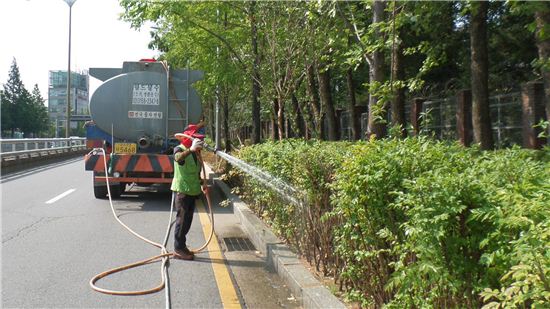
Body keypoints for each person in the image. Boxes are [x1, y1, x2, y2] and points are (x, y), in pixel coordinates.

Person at [171, 124, 207, 260]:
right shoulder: (179, 149)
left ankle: (182, 246)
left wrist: (203, 183)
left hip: (193, 189)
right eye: (197, 139)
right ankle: (178, 249)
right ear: (189, 138)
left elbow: (196, 170)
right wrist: (191, 150)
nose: (199, 142)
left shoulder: (196, 153)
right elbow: (178, 158)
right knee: (182, 220)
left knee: (188, 220)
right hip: (183, 191)